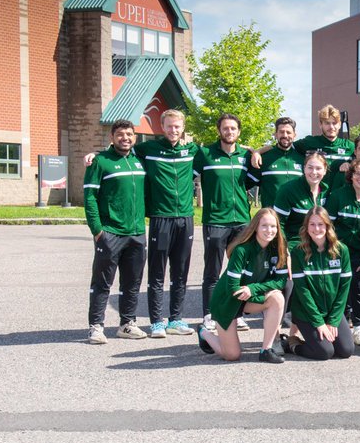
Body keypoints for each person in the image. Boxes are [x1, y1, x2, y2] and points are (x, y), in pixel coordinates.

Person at [130, 108, 197, 337]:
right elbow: (121, 150)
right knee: (157, 273)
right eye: (169, 126)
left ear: (183, 128)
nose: (173, 130)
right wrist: (95, 155)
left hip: (186, 218)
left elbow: (224, 148)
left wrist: (257, 151)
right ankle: (156, 321)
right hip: (161, 218)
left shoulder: (192, 150)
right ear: (162, 127)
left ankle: (176, 319)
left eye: (177, 126)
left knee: (181, 273)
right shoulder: (148, 149)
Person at [84, 119, 148, 344]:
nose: (125, 138)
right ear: (112, 137)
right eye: (120, 134)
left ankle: (127, 324)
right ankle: (96, 327)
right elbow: (89, 197)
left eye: (129, 134)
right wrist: (97, 229)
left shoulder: (139, 161)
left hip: (137, 232)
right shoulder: (100, 161)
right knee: (102, 283)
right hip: (110, 232)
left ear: (135, 137)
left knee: (132, 282)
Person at [197, 208, 288, 361]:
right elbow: (232, 288)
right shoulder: (241, 250)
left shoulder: (278, 249)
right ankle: (204, 333)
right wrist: (254, 292)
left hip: (248, 297)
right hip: (227, 300)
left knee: (277, 298)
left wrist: (253, 289)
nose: (269, 230)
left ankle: (266, 350)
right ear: (256, 227)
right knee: (232, 355)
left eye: (273, 226)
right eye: (264, 226)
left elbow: (280, 281)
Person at [195, 113, 255, 332]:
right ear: (219, 130)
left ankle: (236, 314)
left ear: (239, 132)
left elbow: (250, 182)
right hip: (215, 221)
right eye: (225, 128)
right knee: (212, 270)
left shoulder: (246, 156)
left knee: (239, 271)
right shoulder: (205, 154)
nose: (229, 132)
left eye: (233, 129)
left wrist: (255, 151)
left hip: (242, 221)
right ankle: (209, 314)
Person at [325, 158, 360, 348]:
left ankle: (358, 327)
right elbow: (328, 228)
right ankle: (332, 325)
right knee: (336, 288)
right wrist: (332, 251)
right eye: (357, 173)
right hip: (337, 250)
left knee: (359, 287)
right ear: (350, 176)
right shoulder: (338, 196)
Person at [285, 208, 354, 360]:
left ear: (328, 226)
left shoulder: (341, 250)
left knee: (346, 350)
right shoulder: (298, 252)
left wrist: (333, 321)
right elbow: (303, 292)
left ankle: (321, 337)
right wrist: (319, 323)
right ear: (306, 227)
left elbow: (344, 290)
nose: (317, 229)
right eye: (312, 224)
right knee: (325, 352)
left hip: (331, 311)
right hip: (307, 312)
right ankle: (292, 345)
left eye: (321, 224)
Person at [273, 150, 329, 248]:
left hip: (319, 246)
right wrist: (284, 249)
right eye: (310, 168)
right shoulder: (288, 190)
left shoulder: (326, 191)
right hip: (295, 245)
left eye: (318, 168)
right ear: (304, 169)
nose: (314, 172)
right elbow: (278, 223)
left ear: (325, 170)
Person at [246, 116, 302, 209]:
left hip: (297, 220)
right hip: (272, 219)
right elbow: (242, 186)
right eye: (281, 132)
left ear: (294, 135)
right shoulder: (263, 159)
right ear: (275, 134)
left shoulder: (302, 158)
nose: (285, 135)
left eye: (288, 132)